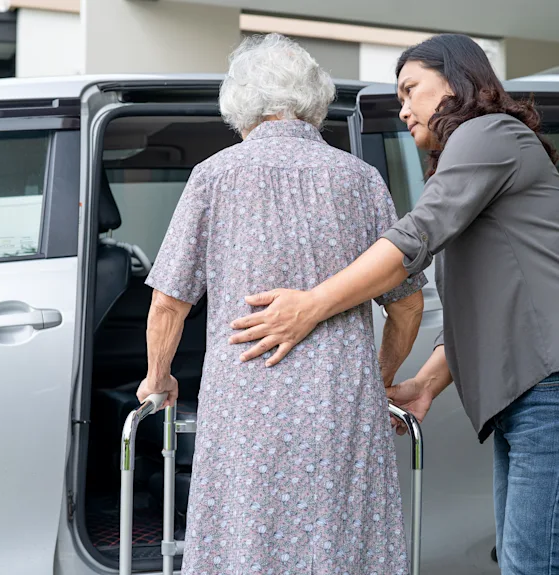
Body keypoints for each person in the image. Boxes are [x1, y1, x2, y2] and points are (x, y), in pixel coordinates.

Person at [228, 33, 559, 574]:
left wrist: (313, 304)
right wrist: (424, 385)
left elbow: (413, 238)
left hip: (547, 391)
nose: (403, 109)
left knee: (531, 563)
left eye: (410, 90)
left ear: (456, 81)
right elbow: (495, 307)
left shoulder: (489, 132)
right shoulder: (475, 154)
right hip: (530, 394)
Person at [136, 33, 427, 575]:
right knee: (342, 543)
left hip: (245, 407)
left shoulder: (214, 176)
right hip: (342, 407)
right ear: (315, 101)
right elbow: (407, 307)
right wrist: (378, 379)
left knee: (246, 541)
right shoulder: (362, 180)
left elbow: (168, 305)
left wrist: (159, 379)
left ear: (238, 104)